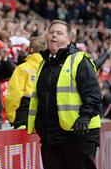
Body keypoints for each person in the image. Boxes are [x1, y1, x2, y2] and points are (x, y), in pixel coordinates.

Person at [27, 20, 102, 169]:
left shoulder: (79, 60)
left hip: (79, 134)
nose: (54, 35)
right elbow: (40, 99)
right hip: (51, 136)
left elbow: (93, 93)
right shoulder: (44, 64)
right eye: (51, 32)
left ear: (69, 39)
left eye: (59, 33)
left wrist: (85, 116)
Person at [5, 36, 46, 128]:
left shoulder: (22, 69)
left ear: (30, 49)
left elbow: (13, 95)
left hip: (24, 115)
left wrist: (12, 117)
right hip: (44, 115)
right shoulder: (49, 68)